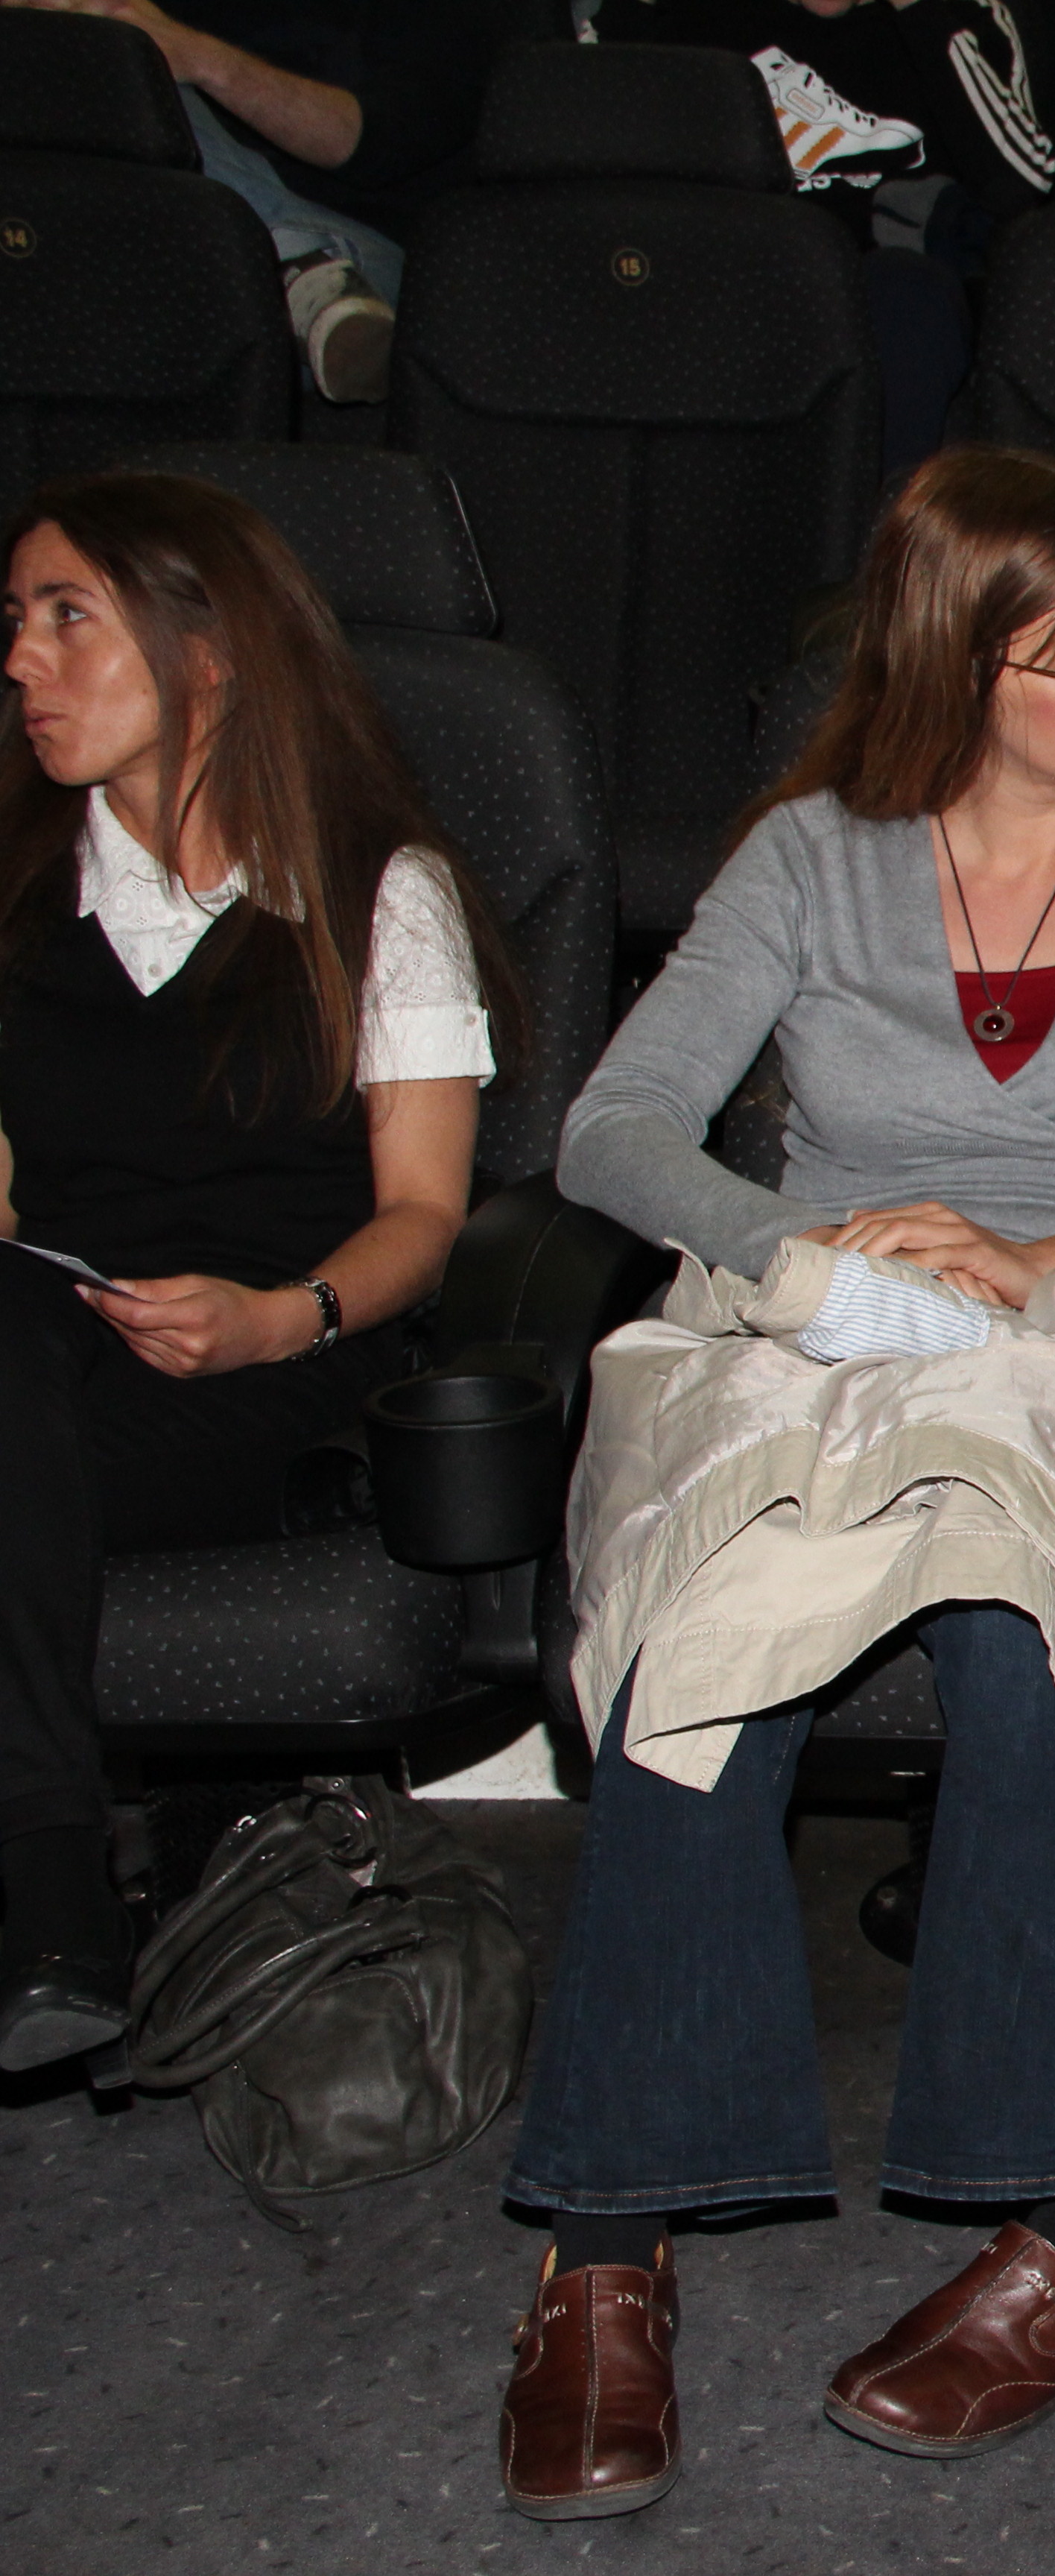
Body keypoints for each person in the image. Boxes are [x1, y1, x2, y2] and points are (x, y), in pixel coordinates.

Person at [492, 448, 1055, 2520]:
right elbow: (617, 1126)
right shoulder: (812, 857)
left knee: (1016, 1612)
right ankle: (604, 2247)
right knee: (702, 1626)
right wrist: (810, 1257)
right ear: (957, 664)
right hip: (842, 1361)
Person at [0, 473, 507, 2077]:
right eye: (15, 620)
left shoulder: (375, 893)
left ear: (207, 652)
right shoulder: (15, 887)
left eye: (67, 618)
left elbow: (423, 1216)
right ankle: (56, 1892)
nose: (20, 660)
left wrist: (279, 1318)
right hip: (47, 1351)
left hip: (285, 1361)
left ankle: (52, 1892)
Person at [600, 0, 1055, 473]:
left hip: (890, 289)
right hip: (737, 271)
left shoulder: (965, 19)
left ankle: (886, 528)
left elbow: (1022, 185)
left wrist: (923, 13)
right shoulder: (690, 21)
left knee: (907, 296)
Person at [1, 0, 510, 402]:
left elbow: (361, 142)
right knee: (94, 50)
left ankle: (299, 257)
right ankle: (297, 267)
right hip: (171, 247)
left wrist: (201, 60)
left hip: (368, 265)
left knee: (137, 60)